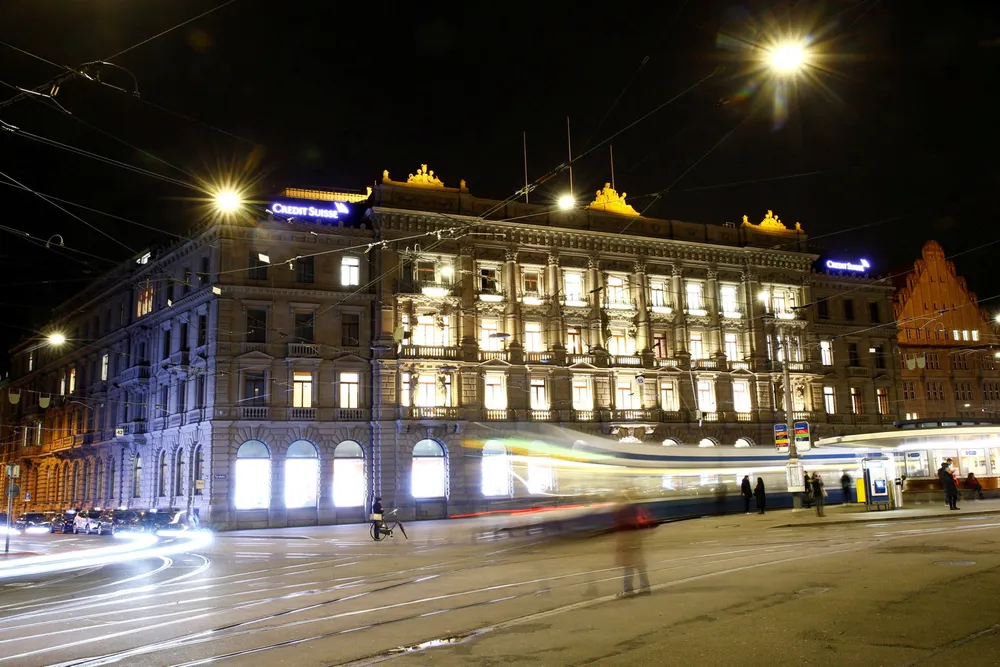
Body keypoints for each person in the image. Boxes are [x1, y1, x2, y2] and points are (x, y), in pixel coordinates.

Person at [614, 501, 650, 598]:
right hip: (636, 544)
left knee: (628, 567)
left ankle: (628, 590)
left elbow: (622, 533)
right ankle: (645, 588)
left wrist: (620, 546)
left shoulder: (622, 517)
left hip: (628, 545)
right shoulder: (635, 516)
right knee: (640, 566)